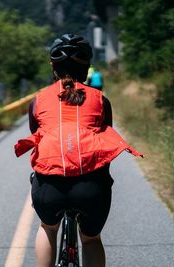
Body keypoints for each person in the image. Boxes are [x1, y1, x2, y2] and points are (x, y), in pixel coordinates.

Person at [14, 33, 142, 267]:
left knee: (48, 228)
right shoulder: (100, 99)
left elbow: (37, 139)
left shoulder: (39, 100)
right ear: (87, 67)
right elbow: (105, 142)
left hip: (49, 187)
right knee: (91, 239)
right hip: (91, 188)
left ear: (53, 66)